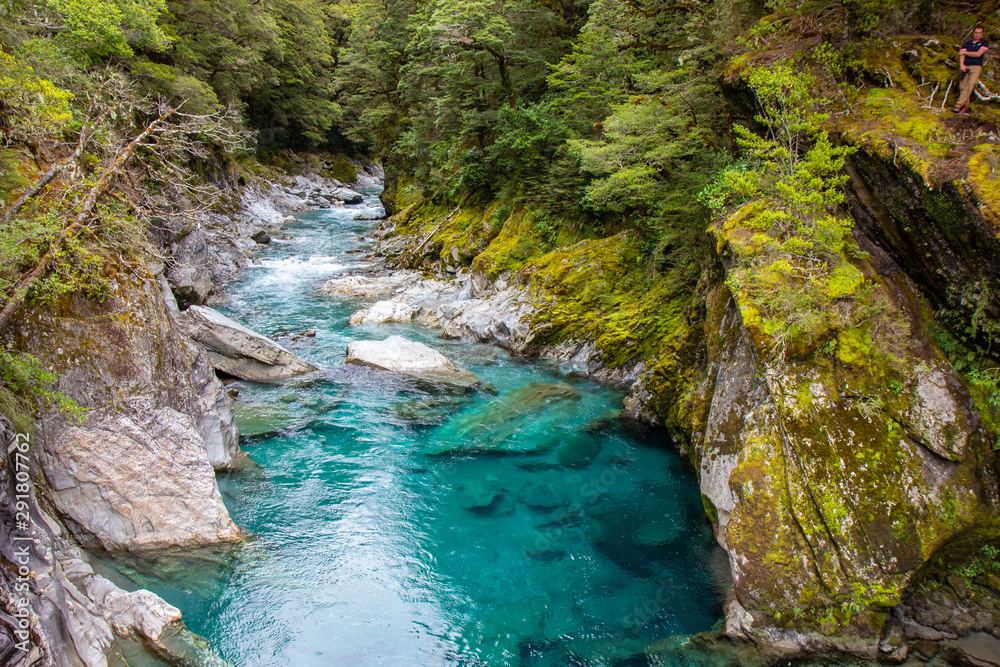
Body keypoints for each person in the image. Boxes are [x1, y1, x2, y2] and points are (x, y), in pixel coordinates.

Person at [954, 26, 989, 113]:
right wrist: (961, 65)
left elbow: (978, 54)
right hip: (966, 66)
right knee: (962, 86)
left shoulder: (984, 43)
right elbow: (961, 55)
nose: (977, 35)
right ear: (973, 33)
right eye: (976, 33)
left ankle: (958, 105)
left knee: (971, 83)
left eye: (979, 33)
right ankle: (965, 105)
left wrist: (965, 52)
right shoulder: (966, 44)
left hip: (976, 66)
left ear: (982, 34)